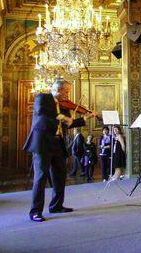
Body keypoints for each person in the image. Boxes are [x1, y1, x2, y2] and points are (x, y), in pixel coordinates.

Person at [23, 79, 96, 222]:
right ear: (58, 89)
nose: (68, 95)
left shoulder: (62, 106)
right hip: (42, 143)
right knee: (41, 177)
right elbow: (42, 113)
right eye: (66, 91)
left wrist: (86, 117)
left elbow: (69, 124)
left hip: (58, 144)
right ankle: (35, 211)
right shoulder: (42, 98)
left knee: (60, 175)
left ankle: (56, 206)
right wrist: (62, 117)